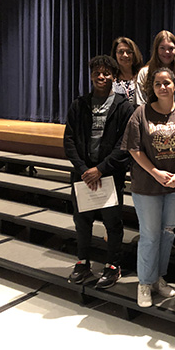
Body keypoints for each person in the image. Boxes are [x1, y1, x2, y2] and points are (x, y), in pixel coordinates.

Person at [121, 67, 175, 307]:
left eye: (166, 83)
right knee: (150, 235)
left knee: (167, 233)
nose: (162, 87)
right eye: (157, 84)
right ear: (151, 88)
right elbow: (134, 149)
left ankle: (158, 279)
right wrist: (155, 172)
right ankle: (144, 283)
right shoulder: (140, 114)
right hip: (147, 186)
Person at [64, 55, 134, 288]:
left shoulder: (124, 107)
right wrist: (85, 170)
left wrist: (100, 169)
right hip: (83, 176)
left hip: (109, 176)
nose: (101, 77)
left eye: (106, 73)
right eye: (97, 73)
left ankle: (112, 266)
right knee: (81, 222)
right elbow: (69, 140)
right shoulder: (79, 104)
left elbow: (125, 145)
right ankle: (82, 262)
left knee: (112, 224)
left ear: (114, 77)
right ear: (91, 75)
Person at [136, 30, 175, 106]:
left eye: (171, 48)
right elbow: (140, 103)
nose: (167, 52)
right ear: (156, 50)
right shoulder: (144, 73)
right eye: (162, 48)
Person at [110, 37, 143, 106]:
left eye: (129, 52)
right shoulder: (110, 78)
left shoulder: (142, 77)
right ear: (115, 54)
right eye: (121, 52)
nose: (125, 55)